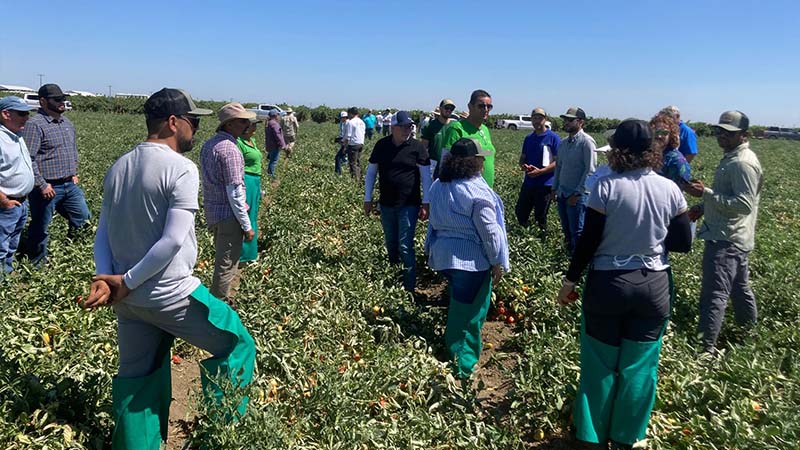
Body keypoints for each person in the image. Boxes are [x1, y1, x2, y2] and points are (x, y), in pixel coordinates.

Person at [84, 88, 255, 450]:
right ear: (173, 122)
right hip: (168, 293)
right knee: (237, 343)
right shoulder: (180, 169)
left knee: (136, 377)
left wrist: (107, 278)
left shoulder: (119, 165)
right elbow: (172, 240)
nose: (195, 129)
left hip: (127, 302)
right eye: (193, 122)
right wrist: (127, 281)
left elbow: (103, 232)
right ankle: (220, 439)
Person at [556, 119, 692, 449]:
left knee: (600, 364)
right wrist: (649, 236)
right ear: (651, 152)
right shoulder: (670, 189)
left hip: (609, 284)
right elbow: (683, 242)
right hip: (653, 285)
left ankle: (591, 437)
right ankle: (626, 437)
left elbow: (587, 243)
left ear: (618, 151)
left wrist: (569, 281)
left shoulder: (606, 187)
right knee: (640, 367)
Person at [425, 138, 509, 379]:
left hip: (444, 256)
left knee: (459, 305)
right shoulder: (478, 191)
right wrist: (496, 261)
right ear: (475, 162)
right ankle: (462, 366)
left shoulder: (439, 185)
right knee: (470, 314)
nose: (483, 162)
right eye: (481, 158)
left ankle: (454, 352)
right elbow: (490, 232)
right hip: (470, 262)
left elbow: (433, 220)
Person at [684, 110, 763, 354]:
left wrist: (705, 194)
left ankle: (704, 350)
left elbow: (743, 205)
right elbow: (728, 198)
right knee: (740, 288)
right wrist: (702, 206)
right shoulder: (732, 157)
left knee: (714, 294)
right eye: (720, 131)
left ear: (744, 135)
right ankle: (750, 336)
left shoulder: (741, 163)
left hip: (727, 238)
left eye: (729, 133)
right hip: (732, 235)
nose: (722, 137)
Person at [21, 83, 91, 265]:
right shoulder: (35, 125)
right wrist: (42, 184)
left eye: (63, 99)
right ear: (43, 101)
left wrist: (74, 172)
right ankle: (37, 265)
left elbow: (72, 150)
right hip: (47, 187)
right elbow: (28, 158)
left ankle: (73, 256)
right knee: (40, 228)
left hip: (70, 184)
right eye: (57, 99)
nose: (62, 102)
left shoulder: (67, 123)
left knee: (83, 220)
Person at [364, 111, 432, 292]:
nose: (406, 130)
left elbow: (426, 176)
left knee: (405, 244)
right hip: (386, 203)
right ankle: (394, 280)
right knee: (391, 243)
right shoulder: (381, 145)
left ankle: (409, 288)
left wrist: (426, 202)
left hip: (409, 203)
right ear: (392, 127)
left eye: (409, 126)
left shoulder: (417, 147)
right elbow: (371, 173)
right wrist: (368, 198)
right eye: (402, 126)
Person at [200, 103, 256, 307]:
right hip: (228, 215)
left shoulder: (209, 144)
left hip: (214, 212)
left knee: (223, 258)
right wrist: (246, 225)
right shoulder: (230, 149)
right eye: (242, 121)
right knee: (227, 264)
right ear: (230, 124)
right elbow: (234, 191)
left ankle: (219, 301)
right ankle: (219, 306)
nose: (247, 125)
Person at [0, 97, 36, 279]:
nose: (27, 118)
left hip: (21, 202)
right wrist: (4, 201)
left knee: (12, 242)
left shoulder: (17, 136)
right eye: (21, 114)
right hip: (6, 203)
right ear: (6, 114)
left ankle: (7, 275)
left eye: (27, 113)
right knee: (1, 244)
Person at [552, 107, 596, 255]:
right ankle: (567, 257)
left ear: (581, 122)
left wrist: (577, 194)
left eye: (570, 120)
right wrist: (554, 189)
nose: (566, 122)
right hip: (563, 193)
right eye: (565, 119)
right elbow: (559, 167)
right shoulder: (564, 143)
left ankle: (577, 263)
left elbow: (589, 170)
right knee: (566, 229)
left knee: (577, 231)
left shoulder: (587, 142)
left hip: (577, 195)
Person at [515, 107, 561, 234]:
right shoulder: (529, 138)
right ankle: (525, 236)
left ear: (545, 120)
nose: (537, 121)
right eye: (534, 118)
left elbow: (558, 162)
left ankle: (541, 240)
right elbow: (522, 158)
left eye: (540, 118)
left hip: (545, 184)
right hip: (529, 182)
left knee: (540, 216)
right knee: (520, 212)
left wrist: (541, 172)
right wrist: (523, 166)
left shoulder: (553, 138)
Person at [441, 90, 497, 188]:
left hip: (486, 189)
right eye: (481, 106)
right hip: (467, 191)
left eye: (489, 106)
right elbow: (445, 162)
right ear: (470, 107)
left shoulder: (485, 129)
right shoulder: (457, 128)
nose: (486, 109)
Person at [236, 118, 262, 263]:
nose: (255, 127)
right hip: (247, 180)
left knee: (253, 214)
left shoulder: (252, 141)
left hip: (255, 180)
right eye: (253, 125)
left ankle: (251, 252)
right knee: (247, 215)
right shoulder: (239, 143)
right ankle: (245, 255)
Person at [650, 113, 691, 187]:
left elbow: (677, 192)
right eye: (656, 131)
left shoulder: (677, 161)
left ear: (671, 135)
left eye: (664, 133)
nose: (659, 136)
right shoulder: (647, 155)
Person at [421, 99, 456, 178]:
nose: (449, 110)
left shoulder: (455, 126)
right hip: (434, 166)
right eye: (446, 108)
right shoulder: (430, 126)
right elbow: (423, 147)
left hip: (451, 166)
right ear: (440, 109)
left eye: (451, 109)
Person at [343, 106, 366, 180]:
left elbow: (348, 137)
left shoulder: (351, 122)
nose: (348, 116)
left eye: (349, 114)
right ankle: (361, 178)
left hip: (353, 144)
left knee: (352, 163)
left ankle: (355, 181)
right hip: (361, 143)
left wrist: (345, 147)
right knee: (358, 162)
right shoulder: (362, 122)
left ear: (351, 114)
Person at [265, 110, 286, 178]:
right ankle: (270, 175)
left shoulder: (269, 123)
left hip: (269, 144)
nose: (279, 116)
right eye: (278, 115)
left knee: (272, 159)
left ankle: (269, 174)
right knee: (273, 161)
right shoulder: (274, 124)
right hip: (274, 145)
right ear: (275, 116)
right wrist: (282, 145)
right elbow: (278, 135)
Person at [334, 111, 349, 175]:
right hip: (345, 142)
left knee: (338, 157)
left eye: (341, 118)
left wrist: (343, 143)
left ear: (345, 117)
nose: (340, 119)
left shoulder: (348, 124)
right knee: (339, 157)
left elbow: (348, 135)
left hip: (347, 143)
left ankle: (338, 173)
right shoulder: (344, 123)